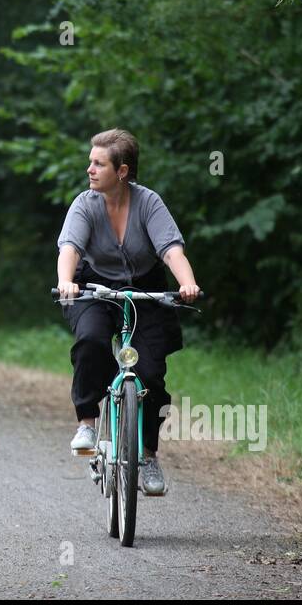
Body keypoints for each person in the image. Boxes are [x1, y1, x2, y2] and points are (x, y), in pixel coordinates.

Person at [55, 128, 200, 495]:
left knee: (150, 375)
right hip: (94, 288)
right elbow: (70, 248)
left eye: (98, 163)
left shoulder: (149, 203)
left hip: (145, 290)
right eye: (90, 161)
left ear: (122, 171)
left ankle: (148, 456)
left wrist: (187, 283)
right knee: (90, 341)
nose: (89, 169)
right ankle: (87, 423)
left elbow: (171, 250)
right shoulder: (85, 204)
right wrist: (67, 281)